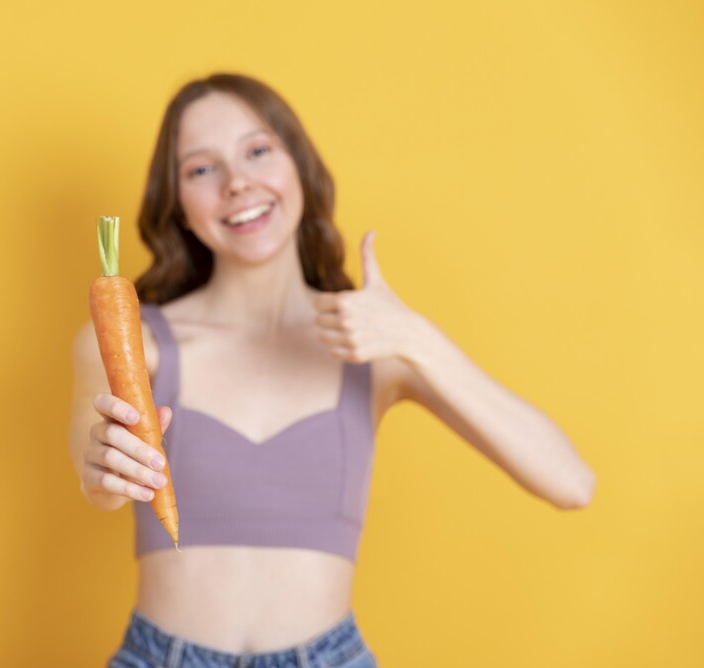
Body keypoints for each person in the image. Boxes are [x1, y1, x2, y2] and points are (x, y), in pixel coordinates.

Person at [69, 73, 596, 668]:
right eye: (200, 169)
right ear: (180, 208)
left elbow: (571, 482)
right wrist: (101, 469)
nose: (237, 181)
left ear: (301, 170)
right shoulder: (129, 344)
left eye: (258, 150)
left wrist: (417, 338)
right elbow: (97, 485)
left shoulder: (374, 345)